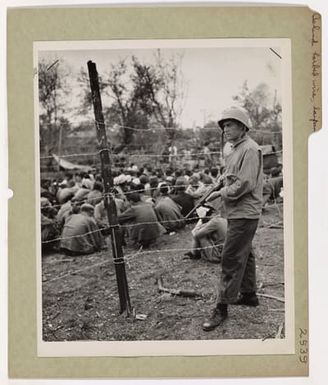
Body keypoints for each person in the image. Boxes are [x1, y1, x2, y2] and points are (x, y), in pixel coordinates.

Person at [202, 106, 263, 331]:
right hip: (239, 211)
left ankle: (221, 307)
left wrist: (222, 193)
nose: (225, 129)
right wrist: (220, 181)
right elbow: (231, 174)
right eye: (224, 126)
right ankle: (249, 295)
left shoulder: (249, 149)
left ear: (242, 126)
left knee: (230, 258)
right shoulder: (234, 149)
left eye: (230, 125)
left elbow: (245, 183)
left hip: (244, 211)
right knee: (245, 254)